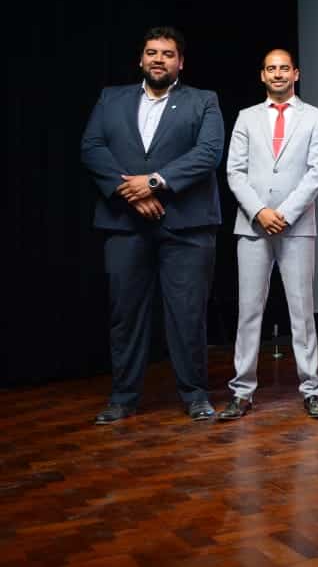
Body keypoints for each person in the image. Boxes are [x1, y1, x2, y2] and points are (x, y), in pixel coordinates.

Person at [80, 26, 224, 424]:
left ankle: (195, 395)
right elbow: (92, 147)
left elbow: (209, 153)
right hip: (125, 224)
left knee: (187, 314)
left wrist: (156, 182)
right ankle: (123, 397)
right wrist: (132, 192)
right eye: (152, 52)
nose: (159, 59)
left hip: (188, 227)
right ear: (141, 59)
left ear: (181, 62)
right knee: (125, 314)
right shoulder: (111, 98)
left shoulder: (203, 101)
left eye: (167, 54)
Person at [220, 49, 318, 421]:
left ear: (295, 74)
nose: (278, 74)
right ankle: (242, 391)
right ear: (262, 75)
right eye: (271, 68)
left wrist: (284, 213)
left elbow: (316, 173)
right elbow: (234, 171)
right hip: (252, 224)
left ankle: (311, 390)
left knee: (302, 311)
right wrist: (260, 212)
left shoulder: (315, 117)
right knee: (249, 311)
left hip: (296, 226)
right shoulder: (246, 116)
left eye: (284, 68)